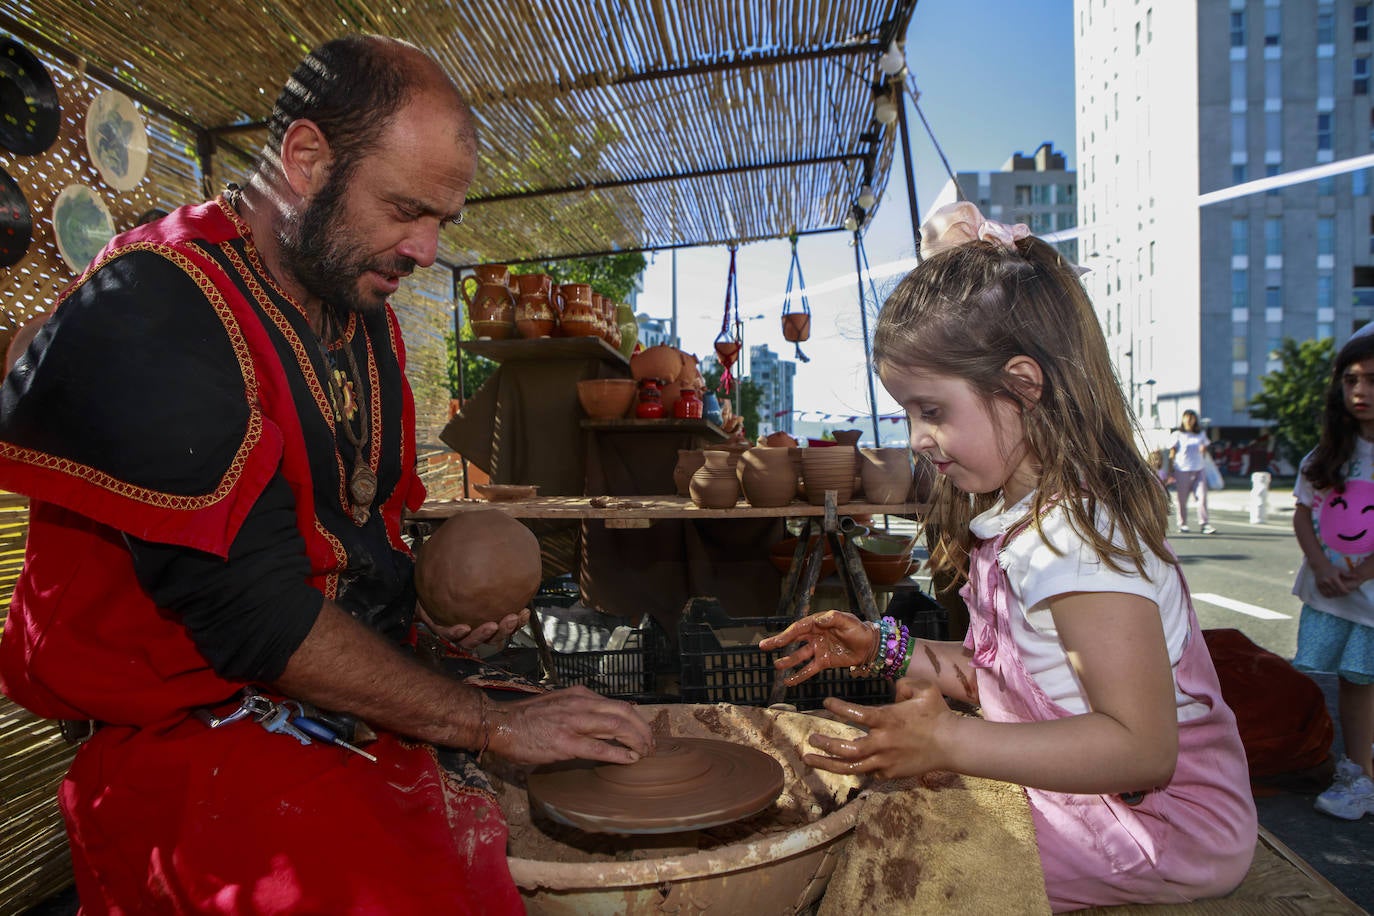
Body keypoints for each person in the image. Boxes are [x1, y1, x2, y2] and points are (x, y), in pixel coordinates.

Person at [0, 34, 653, 914]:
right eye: (403, 209)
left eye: (440, 224)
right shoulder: (155, 304)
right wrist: (487, 723)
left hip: (320, 702)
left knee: (593, 756)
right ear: (305, 159)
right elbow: (250, 612)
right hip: (186, 742)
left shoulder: (357, 304)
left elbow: (354, 541)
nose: (424, 251)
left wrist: (434, 613)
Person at [759, 201, 1256, 912]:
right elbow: (1015, 680)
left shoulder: (1076, 542)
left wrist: (953, 743)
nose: (919, 438)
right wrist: (883, 647)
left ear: (1022, 386)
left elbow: (1142, 749)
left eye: (931, 410)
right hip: (1098, 797)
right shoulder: (1024, 523)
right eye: (908, 413)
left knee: (902, 858)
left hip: (1164, 827)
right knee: (887, 812)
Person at [1290, 332, 1374, 821]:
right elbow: (1305, 511)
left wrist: (1364, 571)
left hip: (1366, 588)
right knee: (1354, 678)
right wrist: (1322, 566)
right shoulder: (1330, 454)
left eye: (1372, 380)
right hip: (1335, 590)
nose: (1360, 390)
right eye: (1351, 380)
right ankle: (1358, 772)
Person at [1168, 409, 1216, 534]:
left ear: (1195, 420)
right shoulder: (1177, 434)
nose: (1189, 420)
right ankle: (1182, 523)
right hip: (1182, 469)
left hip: (1199, 469)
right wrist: (1169, 470)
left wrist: (1203, 449)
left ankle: (1204, 524)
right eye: (1187, 417)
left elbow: (1205, 452)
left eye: (1192, 418)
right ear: (1183, 419)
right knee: (1182, 499)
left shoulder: (1200, 434)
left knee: (1202, 497)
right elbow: (1172, 453)